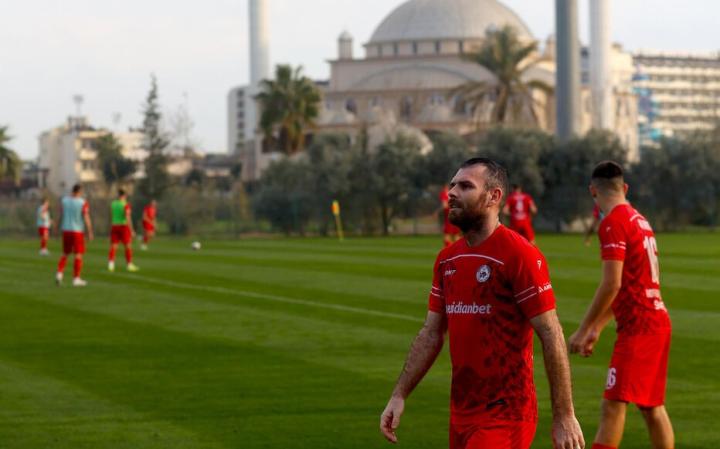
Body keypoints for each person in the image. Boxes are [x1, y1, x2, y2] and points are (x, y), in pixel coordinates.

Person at [380, 158, 584, 449]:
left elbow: (551, 333)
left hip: (506, 413)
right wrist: (399, 394)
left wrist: (564, 415)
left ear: (493, 196)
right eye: (452, 185)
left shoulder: (519, 255)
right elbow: (431, 333)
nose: (452, 192)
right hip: (461, 411)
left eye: (465, 186)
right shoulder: (447, 259)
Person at [569, 161, 674, 449]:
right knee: (652, 407)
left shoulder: (613, 223)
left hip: (640, 327)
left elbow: (611, 284)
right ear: (625, 188)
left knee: (613, 405)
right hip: (657, 321)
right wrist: (598, 327)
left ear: (593, 191)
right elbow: (630, 285)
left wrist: (583, 328)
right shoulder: (641, 220)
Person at [55, 184, 93, 287]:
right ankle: (76, 278)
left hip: (66, 230)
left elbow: (60, 215)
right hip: (77, 231)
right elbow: (86, 217)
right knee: (78, 254)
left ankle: (59, 274)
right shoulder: (82, 202)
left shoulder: (64, 201)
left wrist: (56, 228)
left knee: (65, 253)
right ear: (79, 192)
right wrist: (90, 231)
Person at [108, 189, 139, 272]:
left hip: (114, 225)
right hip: (123, 226)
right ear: (124, 195)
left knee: (114, 245)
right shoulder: (125, 204)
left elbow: (111, 215)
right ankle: (129, 264)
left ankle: (111, 264)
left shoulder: (113, 204)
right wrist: (132, 230)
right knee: (128, 245)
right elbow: (128, 217)